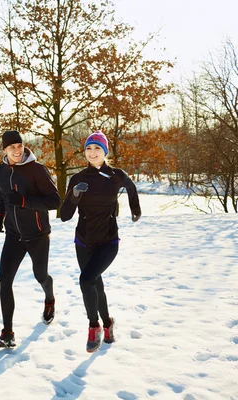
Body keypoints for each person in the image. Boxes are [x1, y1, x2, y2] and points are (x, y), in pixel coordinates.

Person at [60, 131, 141, 353]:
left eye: (97, 148)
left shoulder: (116, 175)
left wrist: (136, 209)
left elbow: (131, 187)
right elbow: (65, 215)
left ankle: (93, 326)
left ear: (105, 152)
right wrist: (74, 195)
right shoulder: (77, 179)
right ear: (84, 152)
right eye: (88, 148)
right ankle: (108, 323)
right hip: (83, 242)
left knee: (86, 280)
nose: (92, 152)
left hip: (108, 242)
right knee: (96, 284)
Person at [0, 130, 61, 348]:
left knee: (40, 275)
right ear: (4, 150)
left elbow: (54, 201)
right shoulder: (0, 171)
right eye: (11, 147)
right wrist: (0, 217)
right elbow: (3, 196)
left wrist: (23, 201)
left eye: (19, 145)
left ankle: (49, 299)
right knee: (5, 279)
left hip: (38, 234)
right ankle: (8, 333)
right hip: (14, 235)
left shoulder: (37, 170)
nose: (17, 150)